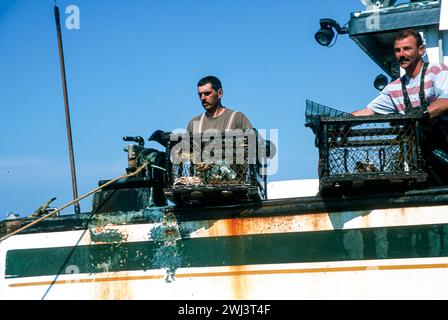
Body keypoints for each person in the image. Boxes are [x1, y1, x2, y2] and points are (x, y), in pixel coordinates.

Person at [352, 29, 448, 184]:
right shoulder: (394, 88)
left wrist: (422, 114)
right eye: (398, 50)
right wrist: (338, 122)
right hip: (422, 157)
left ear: (421, 50)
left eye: (407, 49)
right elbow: (367, 111)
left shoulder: (437, 71)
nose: (402, 54)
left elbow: (446, 101)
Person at [187, 76, 253, 133]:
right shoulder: (195, 123)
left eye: (207, 93)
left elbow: (256, 144)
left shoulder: (236, 118)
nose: (202, 98)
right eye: (200, 95)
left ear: (219, 93)